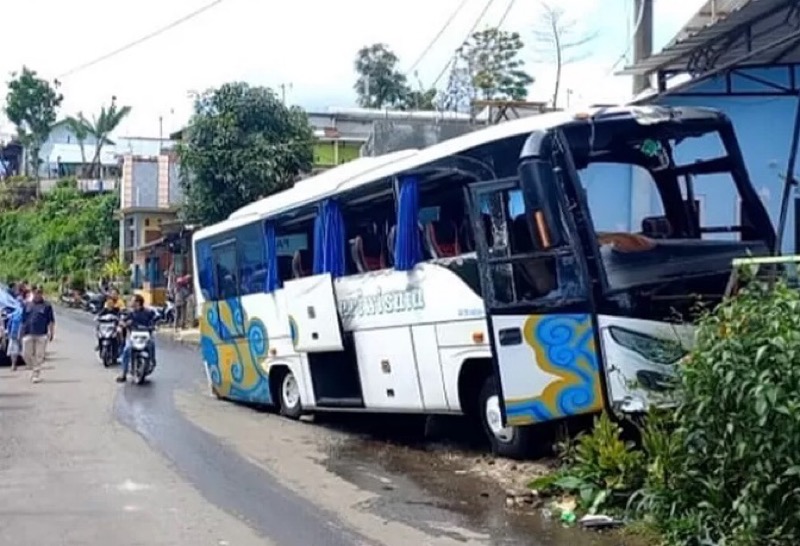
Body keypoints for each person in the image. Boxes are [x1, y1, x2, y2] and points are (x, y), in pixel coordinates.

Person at [117, 294, 156, 383]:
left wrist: (153, 325)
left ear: (138, 303)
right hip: (133, 337)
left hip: (145, 336)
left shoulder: (148, 312)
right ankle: (123, 374)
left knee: (151, 344)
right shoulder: (130, 313)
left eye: (133, 301)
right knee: (127, 350)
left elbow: (154, 319)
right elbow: (122, 321)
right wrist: (122, 325)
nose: (131, 302)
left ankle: (152, 362)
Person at [19, 285, 55, 383]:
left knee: (39, 355)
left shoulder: (47, 306)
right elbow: (23, 320)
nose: (37, 294)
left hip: (41, 334)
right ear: (33, 293)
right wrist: (20, 332)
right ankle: (32, 367)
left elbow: (51, 320)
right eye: (36, 292)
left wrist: (52, 332)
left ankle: (36, 373)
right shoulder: (27, 305)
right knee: (25, 354)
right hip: (28, 333)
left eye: (39, 292)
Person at [7, 304, 22, 371]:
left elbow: (9, 324)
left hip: (15, 333)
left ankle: (13, 365)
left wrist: (9, 332)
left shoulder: (14, 313)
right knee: (16, 350)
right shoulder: (15, 313)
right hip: (19, 334)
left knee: (14, 350)